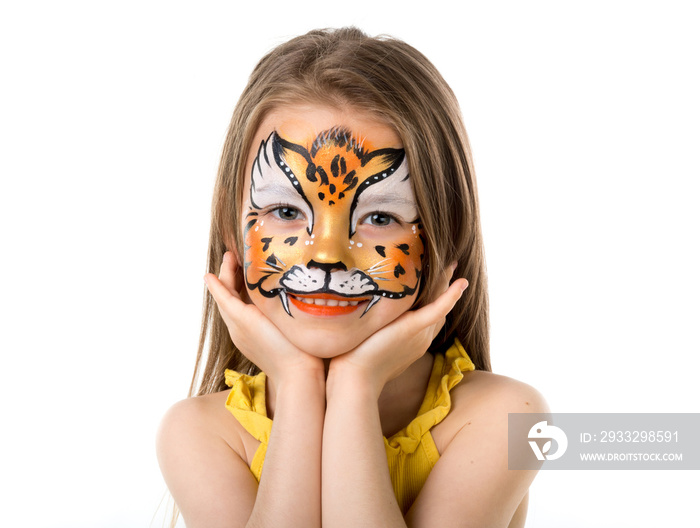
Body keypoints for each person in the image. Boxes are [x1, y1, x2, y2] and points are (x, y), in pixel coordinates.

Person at [156, 27, 547, 528]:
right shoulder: (200, 432)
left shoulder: (509, 418)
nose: (326, 256)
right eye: (284, 210)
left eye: (379, 218)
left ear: (447, 236)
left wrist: (354, 387)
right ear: (232, 235)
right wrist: (298, 385)